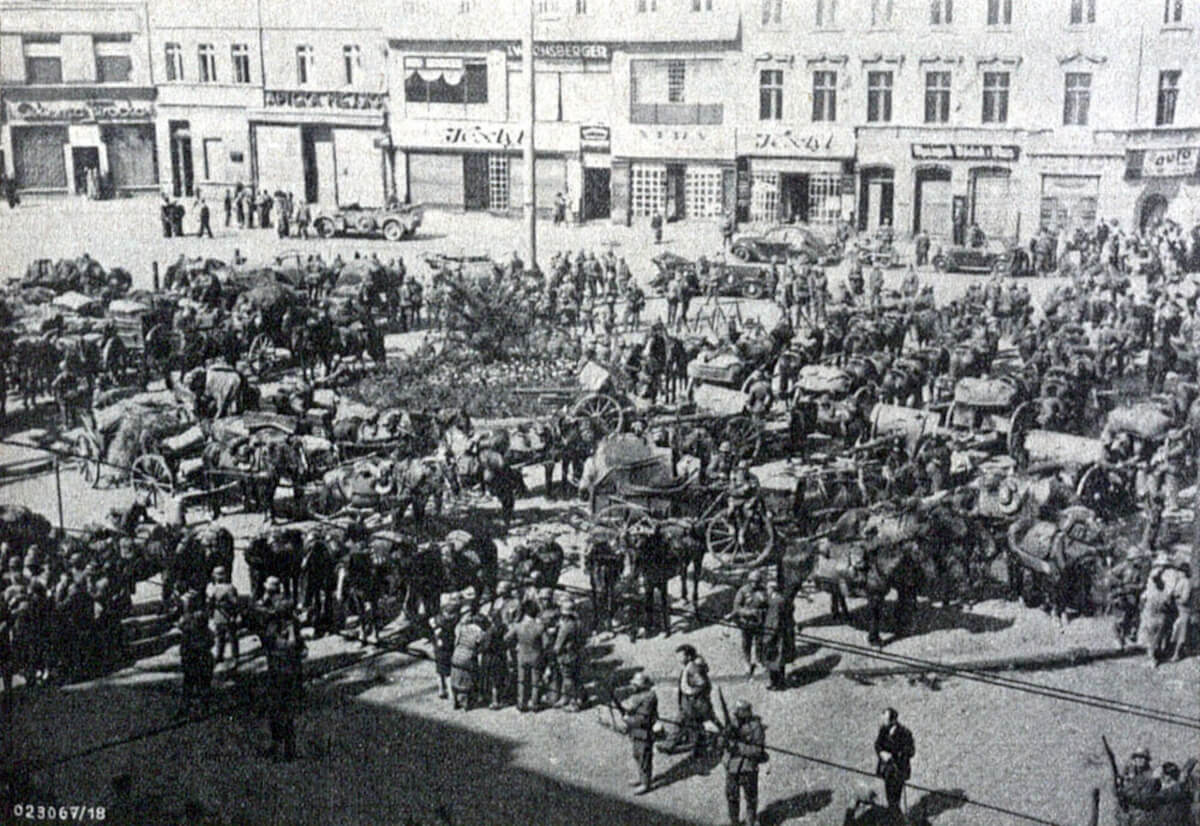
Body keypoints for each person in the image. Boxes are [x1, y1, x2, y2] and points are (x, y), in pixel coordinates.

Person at [662, 644, 713, 755]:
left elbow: (702, 684)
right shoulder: (689, 667)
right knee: (689, 724)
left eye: (681, 656)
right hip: (689, 703)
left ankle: (670, 744)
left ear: (689, 657)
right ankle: (694, 746)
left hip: (692, 704)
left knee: (683, 722)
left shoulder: (693, 669)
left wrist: (691, 694)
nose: (678, 658)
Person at [723, 699, 768, 826]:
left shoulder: (756, 727)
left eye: (739, 713)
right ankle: (734, 822)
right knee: (732, 798)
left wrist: (739, 748)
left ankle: (750, 822)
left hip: (748, 768)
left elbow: (758, 751)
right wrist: (723, 740)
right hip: (732, 768)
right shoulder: (731, 725)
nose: (736, 716)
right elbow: (722, 744)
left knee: (751, 798)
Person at [505, 599, 544, 712]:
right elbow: (546, 643)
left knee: (521, 680)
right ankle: (535, 704)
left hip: (521, 654)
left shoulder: (518, 626)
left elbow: (506, 638)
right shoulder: (540, 627)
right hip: (536, 655)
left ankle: (521, 703)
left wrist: (515, 645)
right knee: (535, 681)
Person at [622, 671, 658, 795]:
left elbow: (643, 719)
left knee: (644, 758)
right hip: (637, 732)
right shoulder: (639, 695)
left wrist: (628, 720)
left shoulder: (649, 698)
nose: (634, 686)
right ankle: (641, 777)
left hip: (644, 733)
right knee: (637, 755)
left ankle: (645, 783)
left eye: (636, 684)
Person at [874, 707, 915, 812]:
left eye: (885, 720)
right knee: (889, 797)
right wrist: (881, 753)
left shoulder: (905, 733)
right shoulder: (883, 730)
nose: (883, 722)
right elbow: (877, 744)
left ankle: (895, 815)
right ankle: (893, 814)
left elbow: (911, 751)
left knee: (895, 798)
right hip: (887, 770)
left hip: (898, 771)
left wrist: (894, 755)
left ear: (893, 720)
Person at [729, 570, 768, 676]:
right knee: (746, 643)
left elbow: (768, 604)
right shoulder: (743, 591)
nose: (754, 583)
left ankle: (759, 660)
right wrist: (748, 612)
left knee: (759, 642)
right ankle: (747, 661)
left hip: (760, 622)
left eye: (757, 581)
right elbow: (737, 607)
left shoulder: (764, 590)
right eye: (752, 581)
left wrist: (762, 612)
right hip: (746, 622)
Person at [761, 579, 795, 691]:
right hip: (781, 634)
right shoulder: (781, 599)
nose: (767, 590)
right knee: (779, 660)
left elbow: (774, 620)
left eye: (768, 588)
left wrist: (769, 637)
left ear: (772, 589)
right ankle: (779, 683)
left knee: (774, 660)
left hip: (775, 635)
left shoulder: (775, 602)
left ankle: (776, 684)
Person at [553, 598, 585, 711]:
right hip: (577, 653)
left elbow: (558, 646)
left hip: (566, 656)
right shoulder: (579, 623)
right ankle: (567, 698)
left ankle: (573, 702)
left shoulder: (565, 627)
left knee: (568, 679)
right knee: (576, 677)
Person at [206, 566, 240, 668]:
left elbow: (235, 603)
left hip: (229, 616)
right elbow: (210, 604)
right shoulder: (212, 588)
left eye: (221, 574)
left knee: (232, 638)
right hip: (218, 616)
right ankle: (219, 655)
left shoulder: (230, 588)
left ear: (225, 575)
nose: (219, 577)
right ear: (213, 575)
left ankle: (235, 657)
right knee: (219, 638)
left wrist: (235, 614)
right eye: (217, 574)